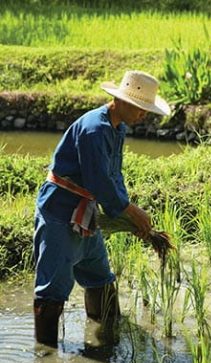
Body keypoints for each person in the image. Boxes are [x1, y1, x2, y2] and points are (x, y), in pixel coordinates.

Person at [33, 71, 171, 347]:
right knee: (53, 289)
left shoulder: (116, 127)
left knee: (100, 279)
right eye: (141, 109)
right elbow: (98, 181)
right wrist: (132, 212)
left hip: (86, 212)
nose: (144, 115)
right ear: (120, 101)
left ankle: (107, 339)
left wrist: (129, 216)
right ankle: (45, 358)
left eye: (147, 110)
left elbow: (113, 176)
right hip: (61, 211)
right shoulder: (95, 129)